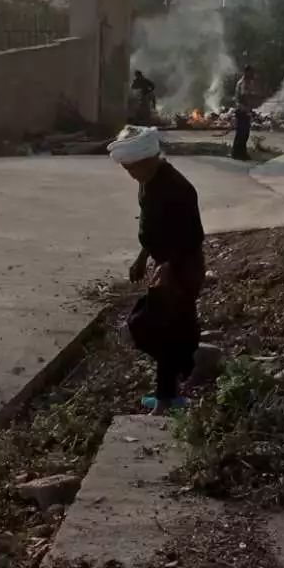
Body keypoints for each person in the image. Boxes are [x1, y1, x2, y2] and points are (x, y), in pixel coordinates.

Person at [109, 125, 205, 411]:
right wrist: (142, 258)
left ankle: (179, 384)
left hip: (182, 267)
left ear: (149, 159)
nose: (130, 174)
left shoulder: (178, 189)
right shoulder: (148, 182)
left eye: (133, 168)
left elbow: (192, 236)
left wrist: (169, 266)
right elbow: (153, 229)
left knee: (153, 327)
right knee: (170, 329)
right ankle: (169, 394)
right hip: (164, 264)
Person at [231, 64, 255, 161]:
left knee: (245, 133)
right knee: (242, 133)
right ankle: (238, 153)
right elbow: (243, 97)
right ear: (246, 72)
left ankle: (241, 152)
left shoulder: (247, 82)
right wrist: (249, 105)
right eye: (250, 72)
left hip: (245, 110)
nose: (252, 74)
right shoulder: (242, 83)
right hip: (241, 111)